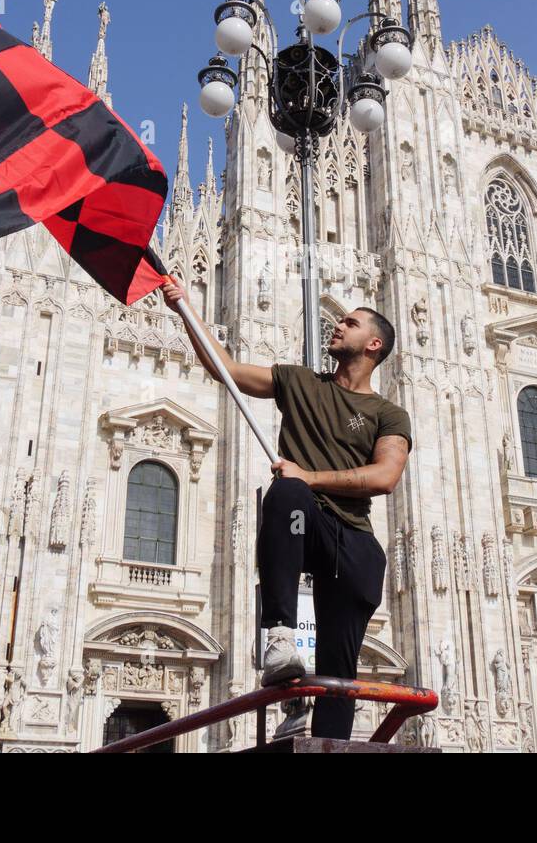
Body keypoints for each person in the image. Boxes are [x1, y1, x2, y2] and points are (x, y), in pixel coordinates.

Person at [160, 278, 411, 741]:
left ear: (373, 344)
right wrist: (184, 310)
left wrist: (308, 475)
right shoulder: (299, 382)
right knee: (285, 494)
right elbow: (226, 370)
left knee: (340, 674)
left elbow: (385, 477)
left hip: (353, 541)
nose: (339, 325)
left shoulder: (387, 413)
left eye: (350, 323)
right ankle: (279, 633)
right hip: (304, 520)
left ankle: (330, 742)